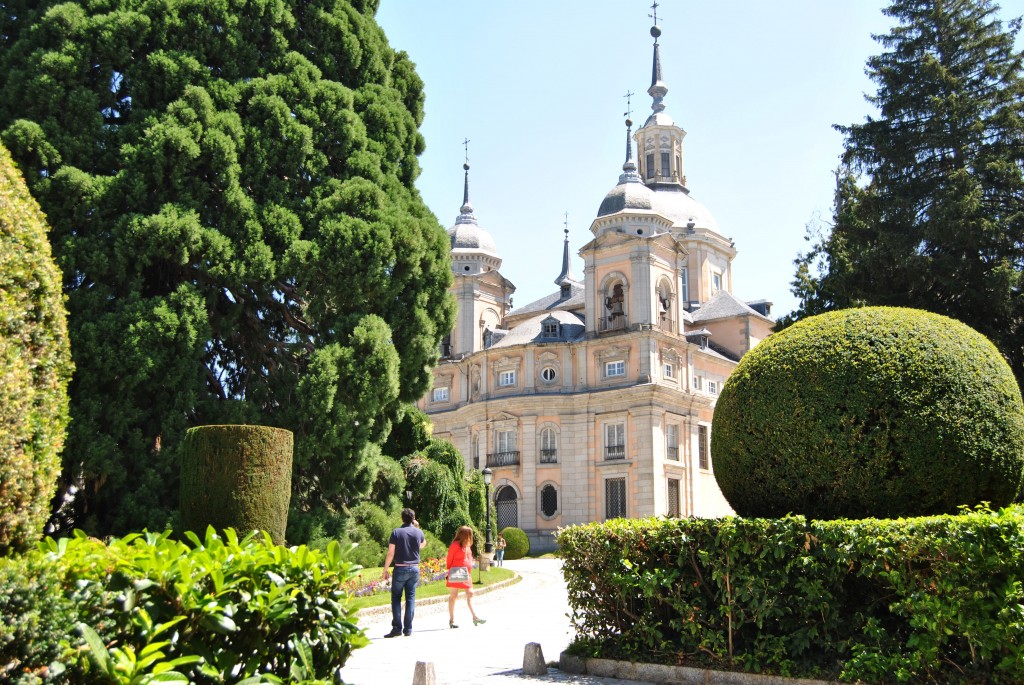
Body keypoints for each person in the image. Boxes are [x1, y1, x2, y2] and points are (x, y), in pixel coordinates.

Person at [381, 508, 426, 637]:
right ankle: (408, 629)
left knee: (396, 597)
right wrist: (417, 528)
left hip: (400, 568)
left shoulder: (396, 532)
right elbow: (422, 544)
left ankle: (397, 628)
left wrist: (385, 569)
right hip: (414, 568)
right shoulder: (418, 532)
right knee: (410, 598)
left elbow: (391, 553)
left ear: (402, 518)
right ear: (413, 519)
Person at [446, 526, 486, 629]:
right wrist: (450, 571)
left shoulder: (467, 546)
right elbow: (449, 559)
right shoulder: (455, 545)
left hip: (466, 573)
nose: (470, 536)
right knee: (453, 595)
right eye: (469, 534)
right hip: (456, 572)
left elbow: (469, 557)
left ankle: (475, 617)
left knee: (470, 593)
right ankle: (452, 620)